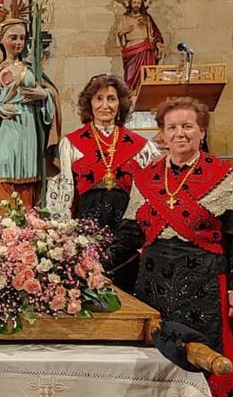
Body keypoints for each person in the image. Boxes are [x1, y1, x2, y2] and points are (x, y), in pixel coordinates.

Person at [119, 97, 233, 397]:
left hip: (204, 288)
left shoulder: (224, 177)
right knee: (156, 361)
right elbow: (130, 234)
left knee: (205, 361)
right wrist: (94, 263)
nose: (179, 133)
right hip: (152, 287)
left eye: (187, 126)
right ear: (163, 135)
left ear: (201, 131)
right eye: (172, 127)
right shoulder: (147, 177)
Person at [47, 75, 158, 292]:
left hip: (126, 228)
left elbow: (147, 197)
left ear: (121, 104)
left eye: (111, 99)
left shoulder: (142, 147)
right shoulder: (71, 144)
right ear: (89, 103)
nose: (105, 105)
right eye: (99, 99)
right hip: (86, 225)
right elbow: (65, 195)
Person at [0, 18, 60, 208]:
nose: (18, 42)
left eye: (22, 38)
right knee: (4, 166)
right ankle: (5, 224)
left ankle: (30, 219)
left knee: (29, 171)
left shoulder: (32, 69)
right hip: (6, 125)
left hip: (30, 124)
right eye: (13, 38)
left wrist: (44, 95)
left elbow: (52, 92)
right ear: (1, 40)